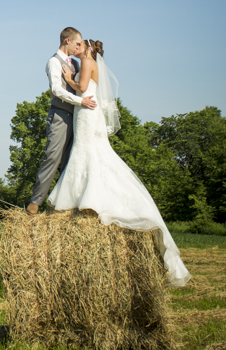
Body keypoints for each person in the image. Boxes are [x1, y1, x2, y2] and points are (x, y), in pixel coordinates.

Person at [47, 39, 190, 288]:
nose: (77, 47)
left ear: (89, 49)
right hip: (87, 112)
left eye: (81, 44)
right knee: (86, 151)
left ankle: (89, 198)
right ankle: (83, 196)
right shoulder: (90, 62)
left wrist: (68, 78)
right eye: (76, 44)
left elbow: (81, 88)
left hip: (88, 112)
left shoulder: (88, 63)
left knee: (89, 151)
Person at [26, 27, 97, 217]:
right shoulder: (53, 62)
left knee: (70, 160)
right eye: (77, 43)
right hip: (60, 114)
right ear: (67, 41)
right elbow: (56, 90)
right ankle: (36, 202)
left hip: (77, 117)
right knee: (52, 156)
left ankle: (61, 204)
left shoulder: (75, 62)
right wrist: (80, 101)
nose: (78, 47)